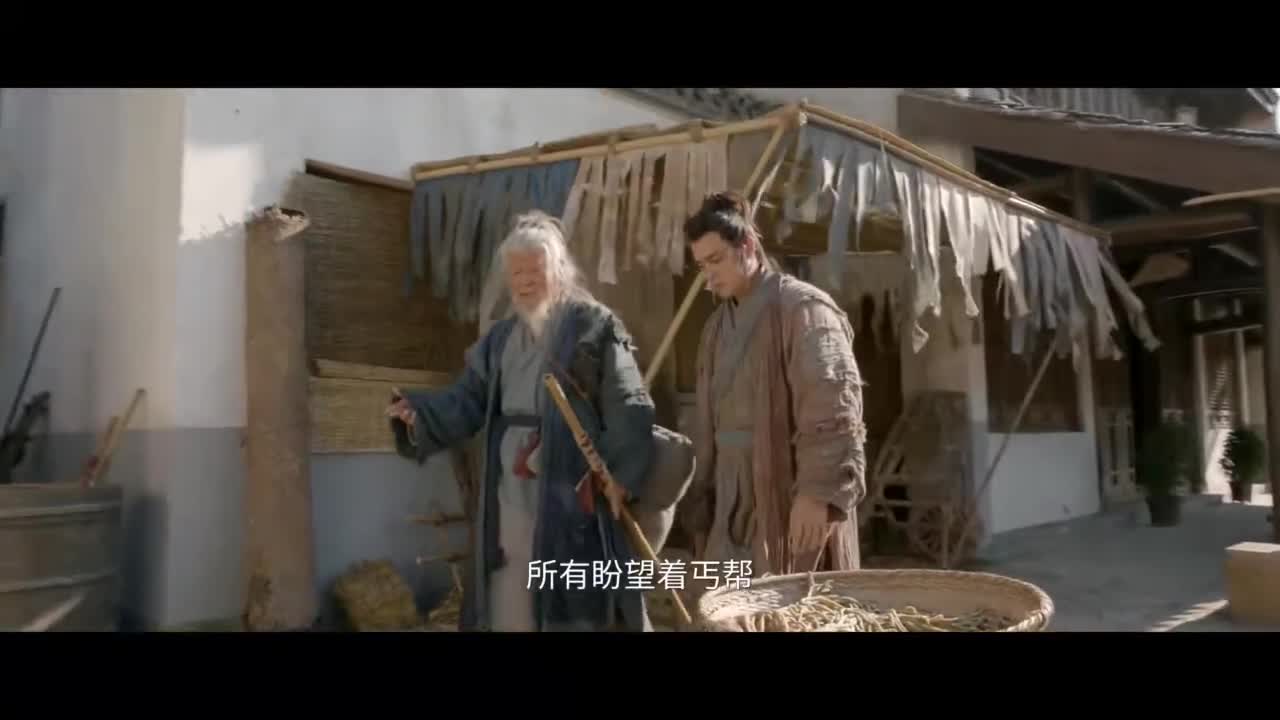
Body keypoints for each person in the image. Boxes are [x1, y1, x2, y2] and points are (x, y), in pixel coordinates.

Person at [386, 210, 657, 632]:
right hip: (508, 488)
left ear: (560, 270)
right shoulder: (499, 340)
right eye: (517, 273)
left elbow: (628, 401)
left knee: (570, 591)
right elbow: (467, 399)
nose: (525, 281)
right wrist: (420, 414)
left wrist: (619, 476)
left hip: (570, 486)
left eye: (535, 270)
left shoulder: (594, 326)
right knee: (510, 583)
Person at [678, 191, 867, 583]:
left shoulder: (803, 309)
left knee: (794, 598)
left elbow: (833, 406)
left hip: (785, 483)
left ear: (747, 245)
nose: (709, 274)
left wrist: (816, 493)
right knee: (729, 603)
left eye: (717, 259)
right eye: (702, 265)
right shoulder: (714, 329)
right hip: (728, 491)